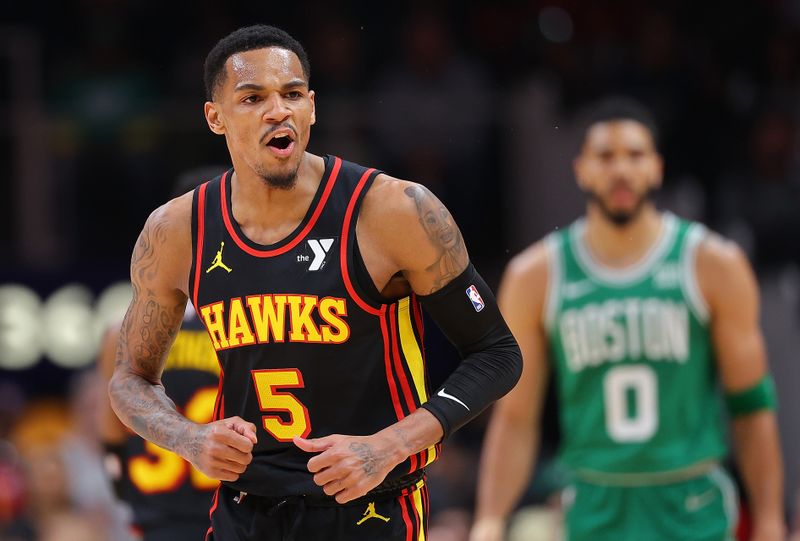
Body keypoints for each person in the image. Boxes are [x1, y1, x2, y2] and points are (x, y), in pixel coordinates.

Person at [108, 24, 521, 541]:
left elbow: (498, 353)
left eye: (292, 94)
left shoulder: (393, 210)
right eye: (253, 97)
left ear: (312, 107)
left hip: (371, 505)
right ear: (215, 117)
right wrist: (188, 439)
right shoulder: (177, 230)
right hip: (247, 511)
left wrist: (389, 446)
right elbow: (129, 379)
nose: (277, 110)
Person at [470, 97, 785, 541]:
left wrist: (770, 519)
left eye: (635, 155)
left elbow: (751, 408)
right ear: (581, 169)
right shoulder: (535, 276)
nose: (621, 169)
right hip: (595, 503)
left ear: (656, 167)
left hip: (692, 502)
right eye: (605, 156)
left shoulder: (713, 263)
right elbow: (516, 418)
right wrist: (490, 519)